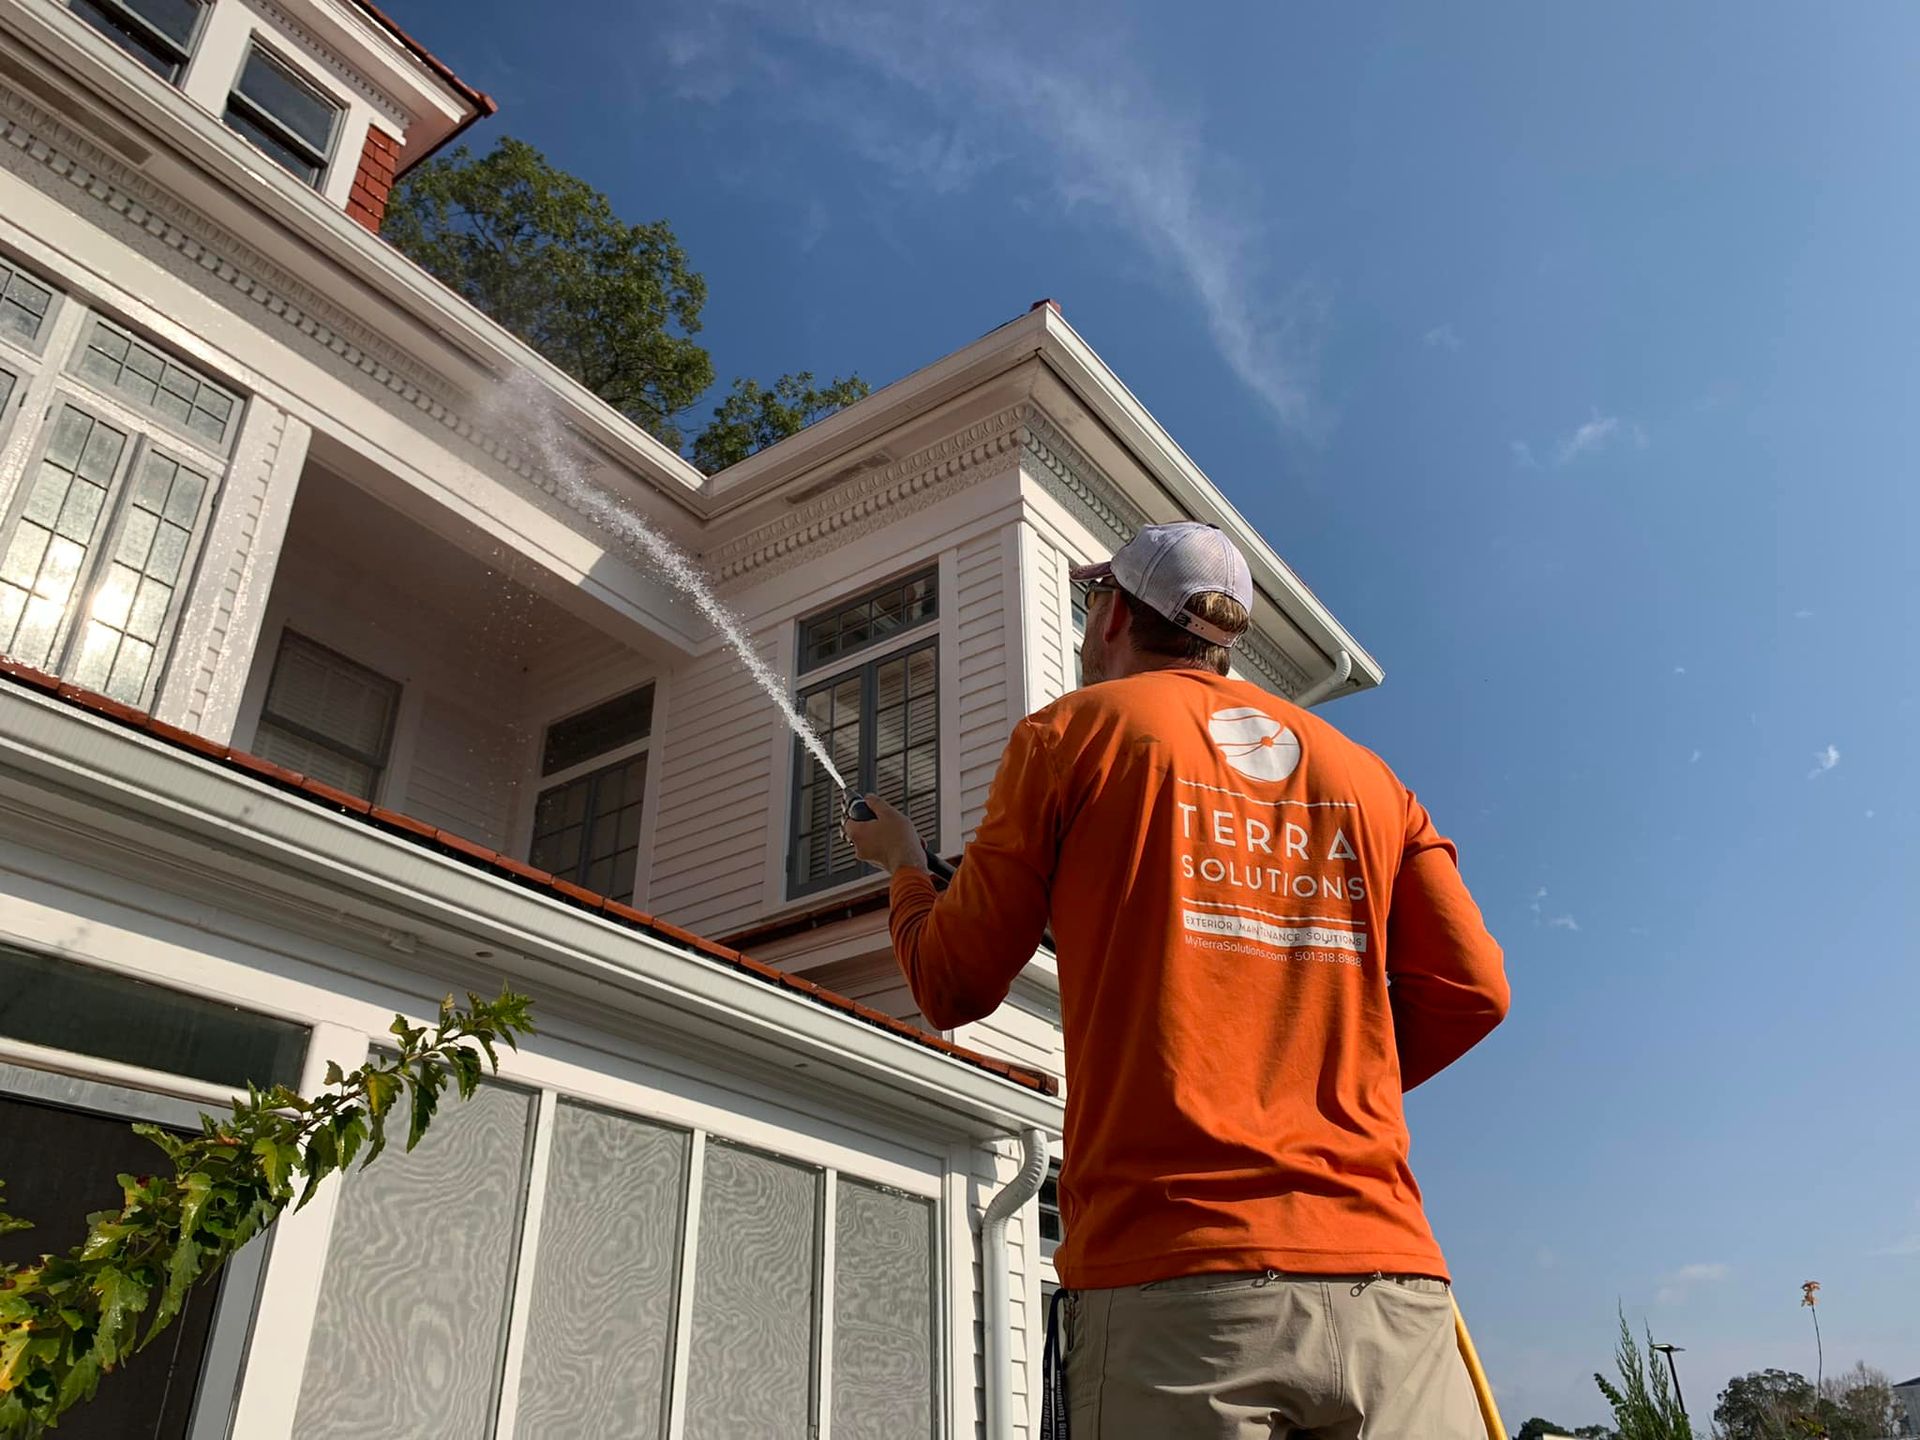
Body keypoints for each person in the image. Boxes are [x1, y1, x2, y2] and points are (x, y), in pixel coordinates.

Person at [846, 521, 1509, 1439]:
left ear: (1113, 612)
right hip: (1389, 1290)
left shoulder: (1071, 734)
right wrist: (1309, 1090)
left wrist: (906, 870)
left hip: (1177, 1289)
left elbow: (953, 986)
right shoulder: (1371, 778)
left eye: (1090, 607)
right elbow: (1475, 992)